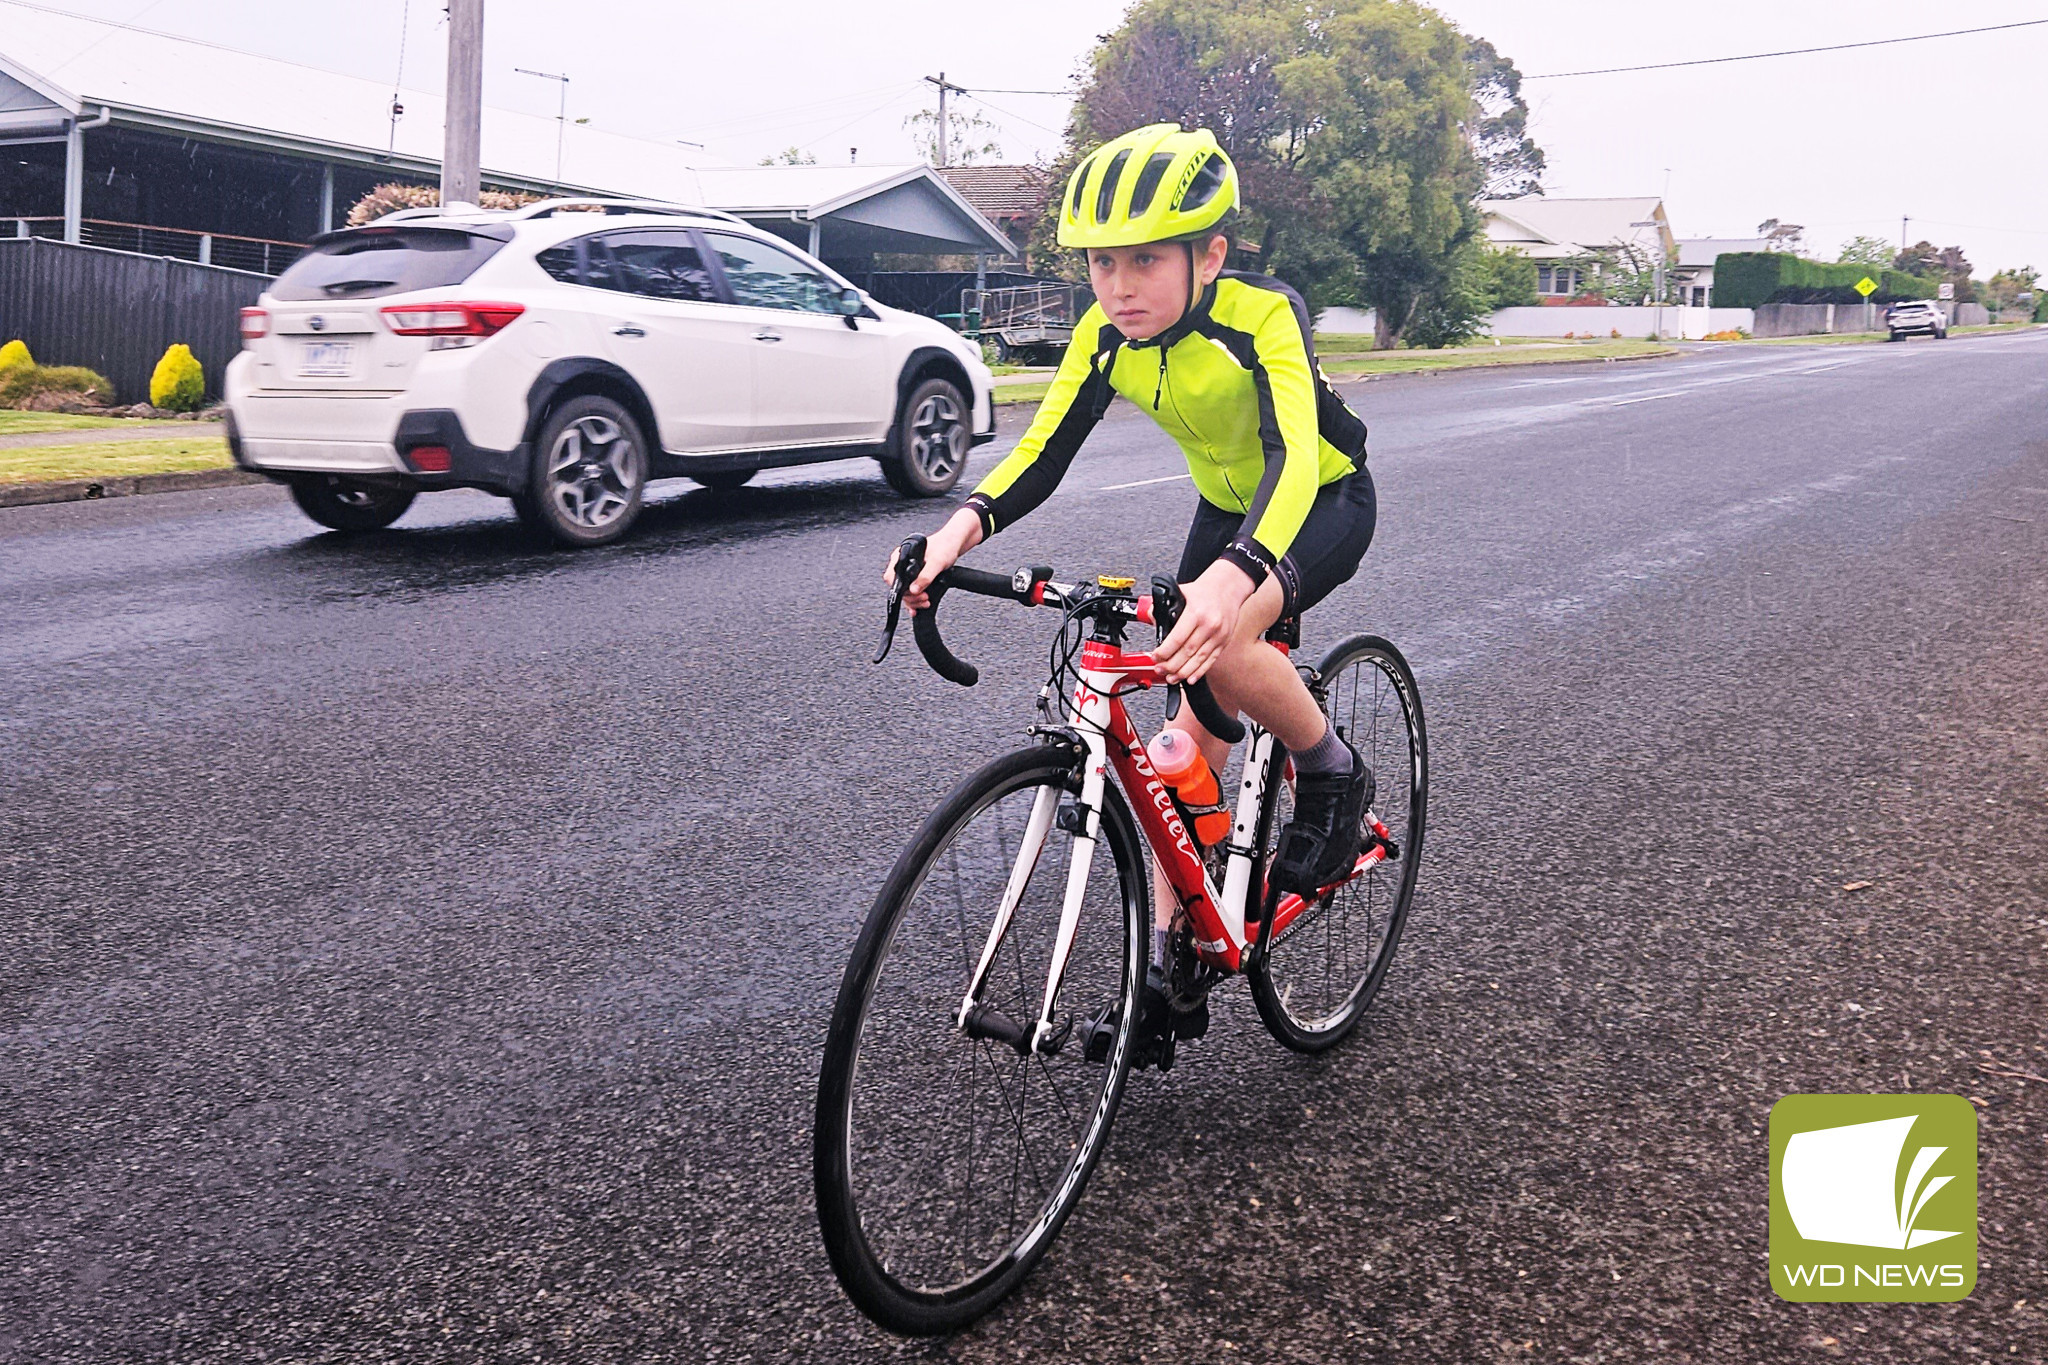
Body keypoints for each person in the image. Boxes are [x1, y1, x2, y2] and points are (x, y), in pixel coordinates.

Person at [886, 124, 1378, 1043]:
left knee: (1225, 638)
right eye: (1102, 264)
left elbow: (1290, 454)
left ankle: (1329, 766)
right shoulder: (1103, 336)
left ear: (1211, 254)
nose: (1118, 286)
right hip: (1225, 511)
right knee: (1179, 742)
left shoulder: (1261, 315)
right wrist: (955, 530)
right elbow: (1043, 451)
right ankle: (1169, 957)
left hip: (1319, 496)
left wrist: (1237, 577)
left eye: (1145, 260)